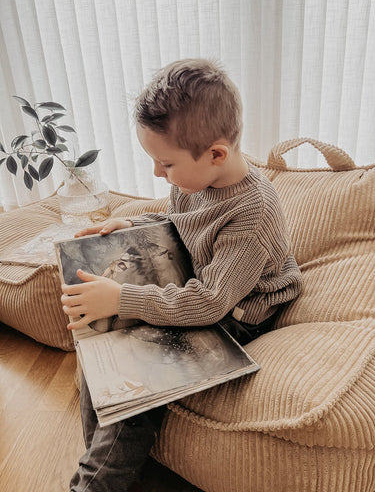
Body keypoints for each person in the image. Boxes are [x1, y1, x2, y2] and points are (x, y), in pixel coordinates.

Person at [62, 58, 302, 491]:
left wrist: (122, 300)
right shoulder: (194, 180)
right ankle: (108, 469)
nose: (158, 173)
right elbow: (180, 221)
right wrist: (134, 224)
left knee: (138, 382)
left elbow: (211, 301)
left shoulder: (253, 213)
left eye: (166, 164)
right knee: (100, 358)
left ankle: (92, 484)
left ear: (216, 154)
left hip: (237, 310)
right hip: (199, 285)